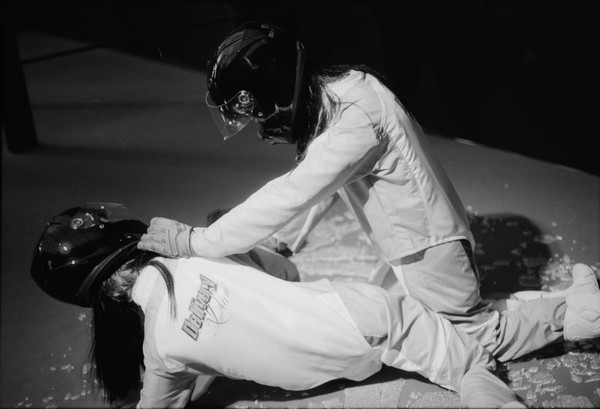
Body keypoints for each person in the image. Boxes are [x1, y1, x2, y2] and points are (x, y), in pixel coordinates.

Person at [138, 22, 600, 361]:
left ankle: (582, 313)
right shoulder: (345, 91)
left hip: (427, 250)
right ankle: (575, 299)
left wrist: (196, 241)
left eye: (256, 111)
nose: (260, 125)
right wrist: (286, 243)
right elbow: (326, 184)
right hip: (415, 244)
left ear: (275, 90)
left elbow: (290, 193)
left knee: (478, 338)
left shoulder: (354, 123)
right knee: (428, 318)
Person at [31, 203, 527, 408]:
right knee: (472, 361)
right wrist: (249, 254)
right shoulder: (198, 247)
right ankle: (566, 319)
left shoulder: (160, 351)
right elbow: (287, 273)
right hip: (365, 318)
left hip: (315, 375)